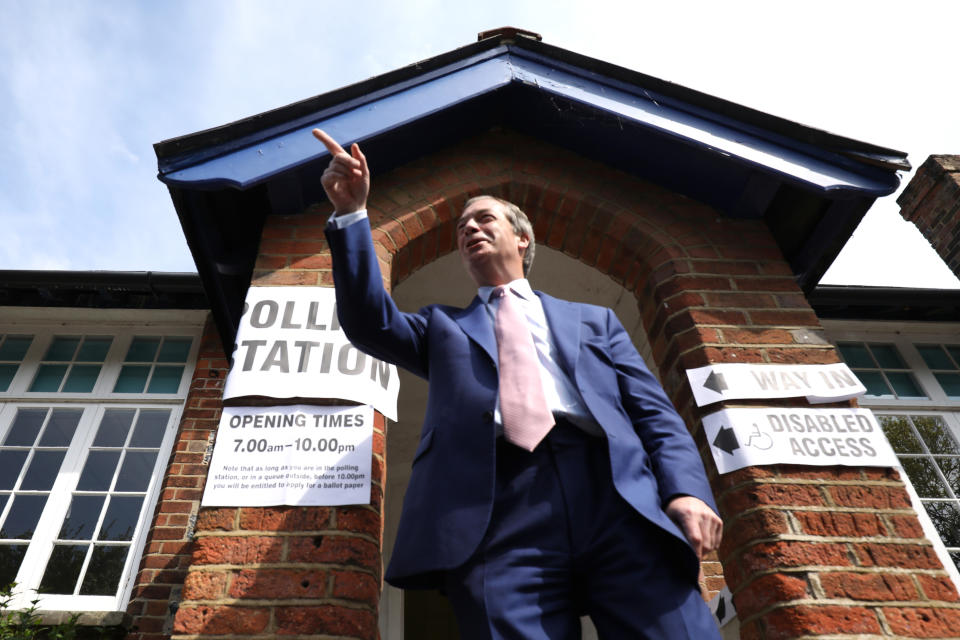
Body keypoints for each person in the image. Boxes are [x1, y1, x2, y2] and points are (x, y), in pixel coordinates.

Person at [314, 129, 723, 639]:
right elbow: (370, 322)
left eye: (484, 218)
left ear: (522, 238)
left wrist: (687, 491)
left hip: (616, 496)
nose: (469, 229)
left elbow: (654, 414)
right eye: (461, 226)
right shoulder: (443, 327)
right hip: (496, 509)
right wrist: (352, 213)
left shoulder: (595, 321)